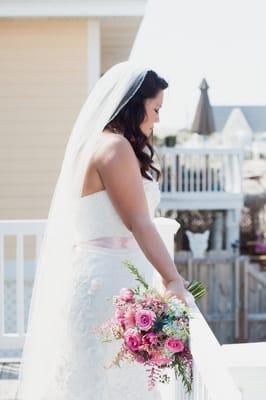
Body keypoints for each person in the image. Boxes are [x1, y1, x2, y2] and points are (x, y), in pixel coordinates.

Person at [16, 61, 190, 400]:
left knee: (94, 380)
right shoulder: (114, 147)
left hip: (97, 277)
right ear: (135, 104)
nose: (157, 119)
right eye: (155, 109)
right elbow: (138, 221)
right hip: (110, 284)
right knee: (112, 383)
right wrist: (173, 279)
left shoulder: (92, 146)